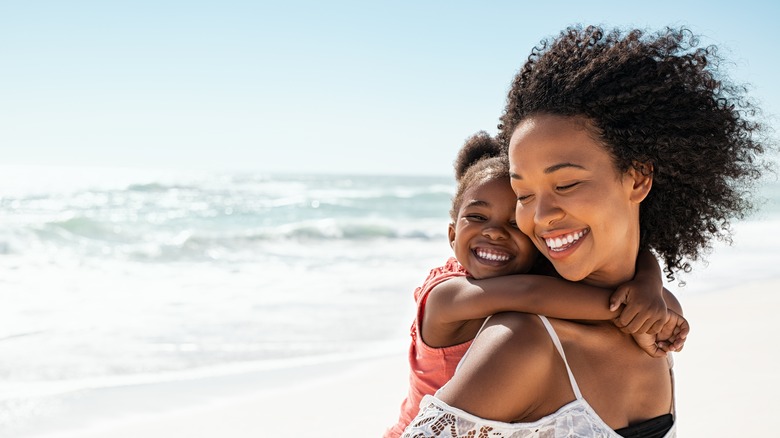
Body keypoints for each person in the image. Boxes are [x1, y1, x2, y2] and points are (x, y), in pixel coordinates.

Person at [402, 26, 768, 437]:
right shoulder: (521, 342)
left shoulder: (652, 322)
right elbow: (531, 295)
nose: (540, 216)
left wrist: (650, 288)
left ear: (638, 178)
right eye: (524, 193)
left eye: (566, 185)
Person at [385, 131, 688, 437]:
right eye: (477, 216)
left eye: (515, 223)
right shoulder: (446, 294)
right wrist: (638, 310)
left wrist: (649, 283)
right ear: (452, 235)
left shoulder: (527, 273)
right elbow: (531, 294)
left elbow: (629, 254)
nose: (493, 232)